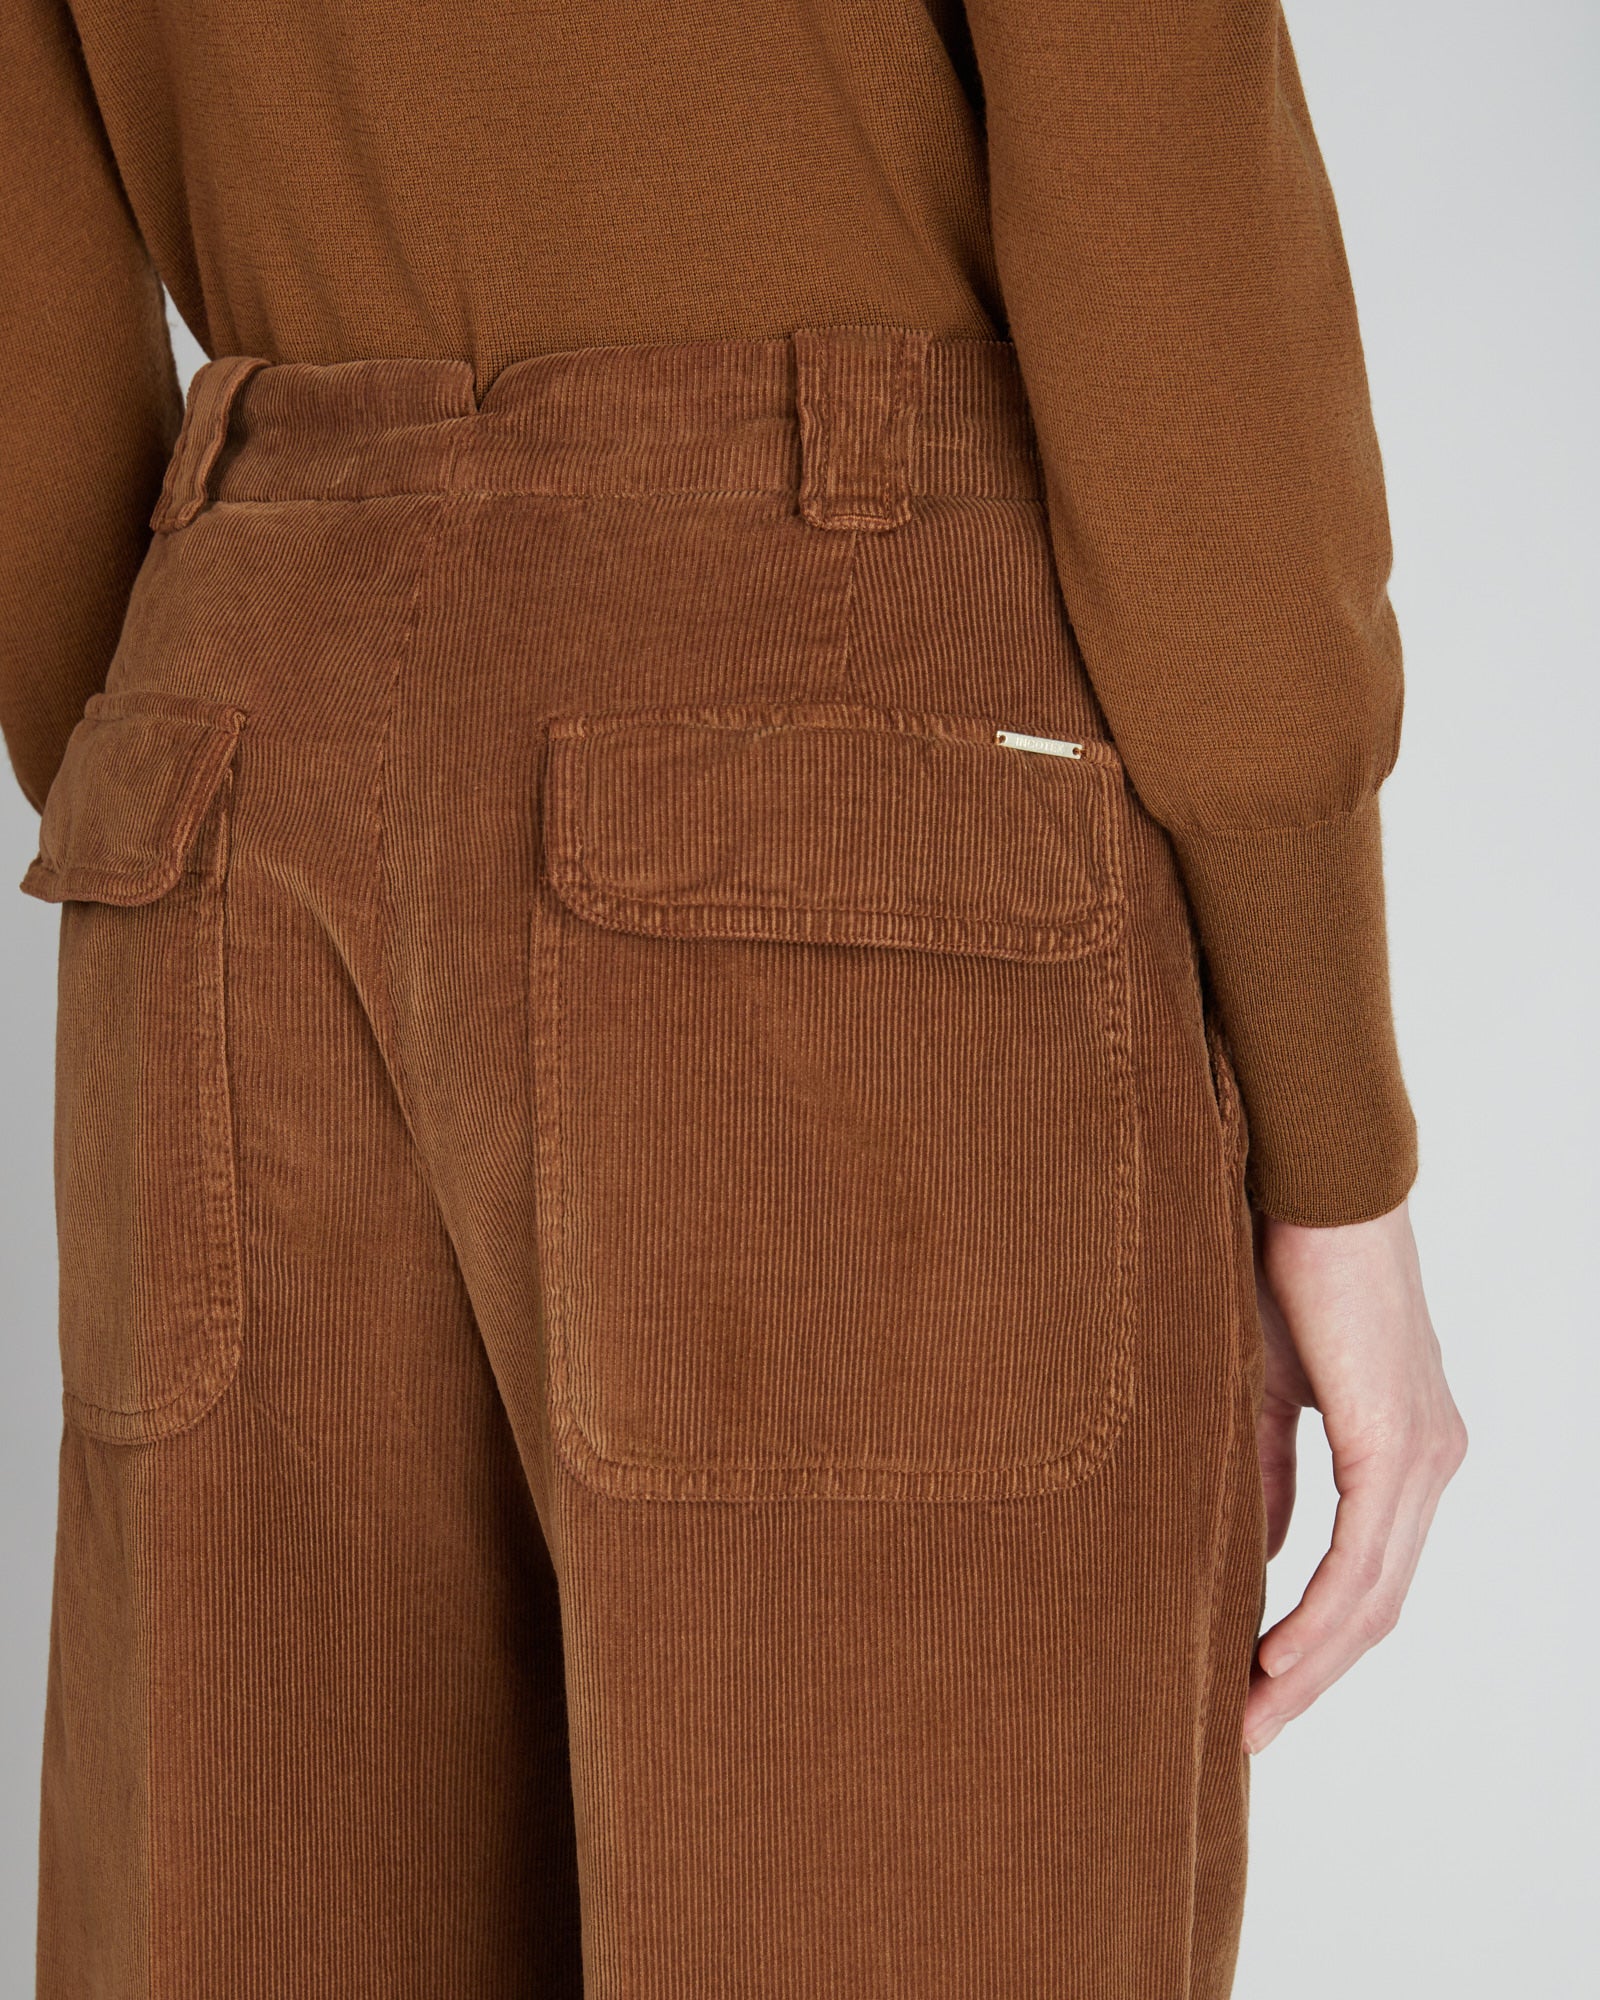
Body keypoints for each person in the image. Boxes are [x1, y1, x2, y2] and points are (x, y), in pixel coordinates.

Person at [2, 3, 1465, 1995]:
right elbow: (1152, 154)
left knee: (258, 1910)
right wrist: (1328, 1132)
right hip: (837, 722)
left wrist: (185, 756)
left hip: (227, 766)